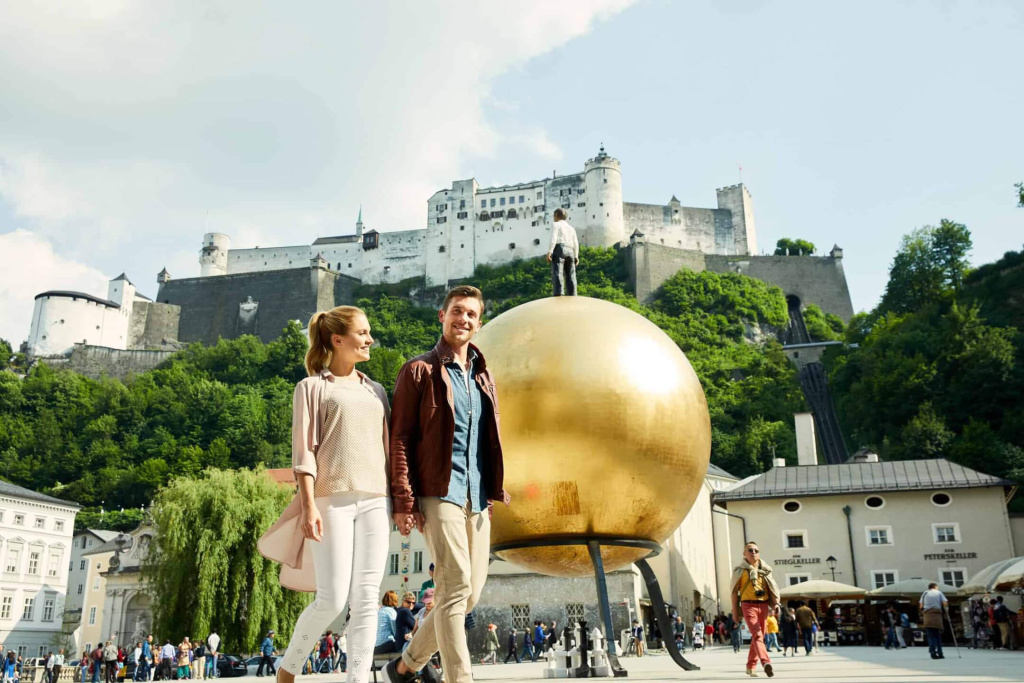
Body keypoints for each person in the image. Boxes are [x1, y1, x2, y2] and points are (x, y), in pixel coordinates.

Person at [258, 306, 394, 683]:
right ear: (338, 340)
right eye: (362, 333)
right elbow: (303, 454)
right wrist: (309, 505)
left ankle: (358, 679)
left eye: (369, 333)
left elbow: (388, 450)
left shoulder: (377, 391)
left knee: (367, 597)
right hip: (330, 498)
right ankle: (289, 666)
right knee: (332, 598)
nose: (369, 340)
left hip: (377, 500)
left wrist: (399, 502)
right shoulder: (312, 388)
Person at [384, 286, 510, 683]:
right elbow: (401, 437)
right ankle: (461, 678)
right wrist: (404, 501)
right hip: (438, 491)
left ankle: (404, 667)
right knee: (454, 589)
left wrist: (490, 492)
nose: (464, 320)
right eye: (457, 311)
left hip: (477, 495)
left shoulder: (483, 376)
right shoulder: (418, 370)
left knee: (468, 596)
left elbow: (487, 440)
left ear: (479, 322)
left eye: (472, 314)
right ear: (442, 316)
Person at [731, 541, 780, 678]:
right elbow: (734, 592)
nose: (753, 553)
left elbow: (772, 589)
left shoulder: (765, 570)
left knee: (759, 636)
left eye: (756, 551)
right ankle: (766, 663)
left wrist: (775, 604)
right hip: (748, 605)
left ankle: (751, 666)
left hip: (763, 605)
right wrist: (735, 612)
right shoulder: (739, 571)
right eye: (750, 550)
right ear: (744, 554)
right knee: (758, 635)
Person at [547, 208, 579, 297]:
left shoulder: (556, 225)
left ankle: (559, 293)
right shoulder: (571, 228)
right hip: (571, 250)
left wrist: (550, 251)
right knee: (571, 275)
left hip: (559, 248)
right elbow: (576, 243)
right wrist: (576, 256)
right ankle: (573, 294)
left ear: (556, 215)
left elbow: (553, 238)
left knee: (557, 272)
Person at [919, 582, 948, 660]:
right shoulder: (939, 593)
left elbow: (921, 605)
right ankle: (940, 653)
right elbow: (945, 603)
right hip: (937, 615)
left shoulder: (924, 593)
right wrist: (946, 610)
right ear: (935, 587)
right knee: (938, 635)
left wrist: (923, 611)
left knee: (931, 636)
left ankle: (932, 652)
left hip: (927, 616)